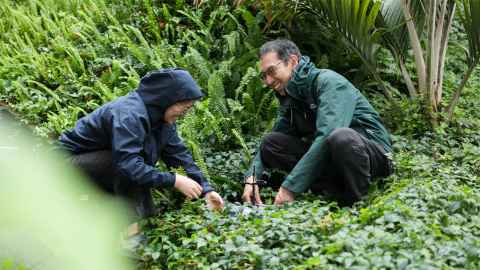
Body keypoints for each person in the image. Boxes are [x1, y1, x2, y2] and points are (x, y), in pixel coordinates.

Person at [58, 68, 224, 225]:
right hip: (62, 167)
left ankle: (138, 226)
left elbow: (179, 155)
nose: (185, 113)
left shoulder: (164, 122)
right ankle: (131, 229)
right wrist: (173, 180)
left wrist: (206, 191)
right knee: (128, 165)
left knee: (135, 171)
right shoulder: (129, 115)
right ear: (167, 99)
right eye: (184, 107)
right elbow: (127, 164)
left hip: (103, 166)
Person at [242, 39, 393, 207]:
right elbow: (271, 142)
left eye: (271, 71)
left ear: (292, 61)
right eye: (264, 76)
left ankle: (357, 203)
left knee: (341, 137)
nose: (268, 81)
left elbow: (328, 135)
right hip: (336, 159)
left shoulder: (329, 82)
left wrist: (290, 188)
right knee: (271, 143)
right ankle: (333, 192)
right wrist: (252, 177)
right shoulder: (292, 98)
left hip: (373, 158)